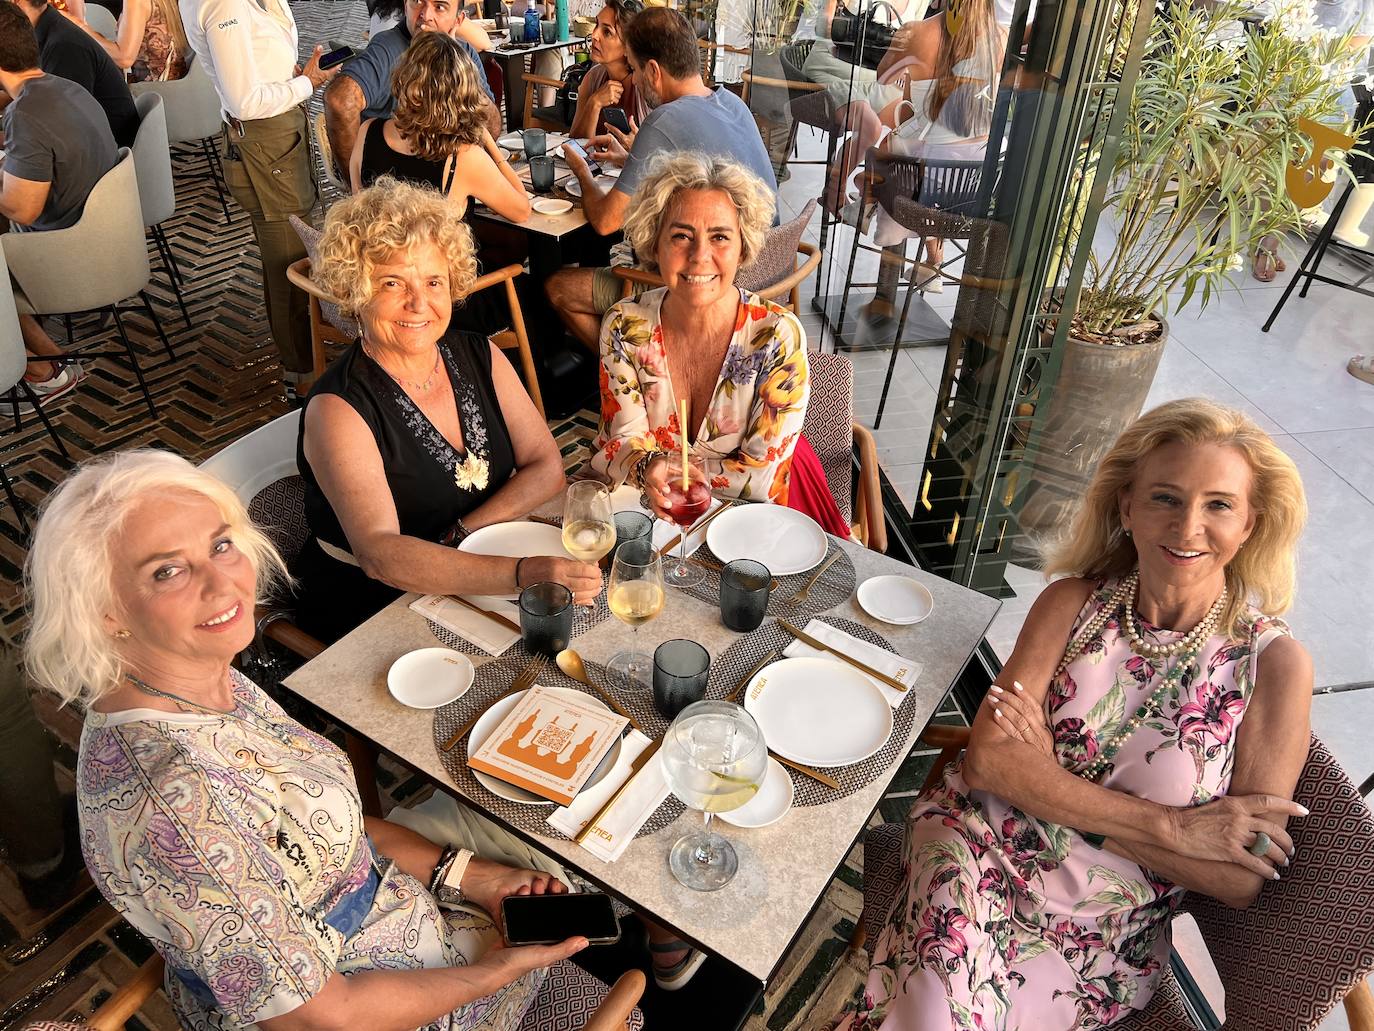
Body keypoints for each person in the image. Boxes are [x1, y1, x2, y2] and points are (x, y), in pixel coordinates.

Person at [23, 448, 636, 1031]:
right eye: (167, 571)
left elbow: (322, 834)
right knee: (622, 964)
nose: (222, 585)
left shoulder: (202, 681)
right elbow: (319, 1017)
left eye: (220, 545)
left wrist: (468, 875)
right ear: (105, 611)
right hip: (377, 1005)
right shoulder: (176, 798)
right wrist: (492, 973)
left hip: (413, 919)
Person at [829, 397, 1313, 1030]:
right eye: (1165, 497)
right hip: (977, 851)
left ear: (1249, 523)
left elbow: (1238, 876)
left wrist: (1041, 782)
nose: (1188, 526)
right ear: (1127, 508)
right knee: (933, 1008)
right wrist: (1173, 829)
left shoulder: (1274, 666)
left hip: (1105, 937)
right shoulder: (1071, 605)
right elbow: (987, 763)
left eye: (1218, 504)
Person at [295, 177, 600, 644]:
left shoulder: (480, 353)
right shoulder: (337, 409)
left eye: (433, 281)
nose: (419, 304)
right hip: (381, 609)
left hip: (490, 573)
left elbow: (547, 468)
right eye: (392, 283)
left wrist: (464, 530)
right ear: (357, 290)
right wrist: (520, 574)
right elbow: (381, 555)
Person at [587, 153, 849, 535]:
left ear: (743, 247)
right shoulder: (625, 326)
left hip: (758, 518)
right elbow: (624, 439)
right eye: (680, 236)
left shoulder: (778, 334)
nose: (699, 257)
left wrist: (662, 472)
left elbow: (758, 479)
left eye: (720, 237)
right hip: (658, 513)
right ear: (654, 243)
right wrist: (647, 468)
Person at [548, 6, 778, 349]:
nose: (636, 80)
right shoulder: (733, 104)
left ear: (653, 70)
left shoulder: (664, 119)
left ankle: (636, 371)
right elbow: (706, 173)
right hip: (765, 269)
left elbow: (605, 221)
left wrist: (581, 167)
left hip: (710, 283)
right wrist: (632, 159)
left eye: (636, 69)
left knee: (558, 287)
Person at [181, 0, 339, 394]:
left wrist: (296, 77)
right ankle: (302, 375)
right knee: (288, 264)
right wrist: (308, 84)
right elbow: (243, 102)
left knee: (287, 256)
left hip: (279, 132)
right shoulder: (223, 6)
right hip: (265, 145)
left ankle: (304, 361)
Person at [842, 0, 1005, 295]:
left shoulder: (919, 32)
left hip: (919, 186)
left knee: (892, 147)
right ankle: (932, 262)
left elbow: (882, 78)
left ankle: (865, 204)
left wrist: (908, 64)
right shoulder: (1001, 38)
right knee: (918, 142)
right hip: (976, 187)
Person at [0, 1, 118, 406]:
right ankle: (50, 359)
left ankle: (46, 369)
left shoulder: (27, 113)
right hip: (105, 237)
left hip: (68, 258)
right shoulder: (62, 87)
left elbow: (22, 209)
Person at [324, 0, 499, 188]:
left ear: (458, 20)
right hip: (395, 191)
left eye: (439, 7)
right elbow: (340, 100)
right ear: (405, 4)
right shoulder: (388, 49)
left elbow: (492, 129)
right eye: (417, 2)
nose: (425, 14)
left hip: (445, 182)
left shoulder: (463, 52)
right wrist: (357, 188)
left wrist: (457, 66)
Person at [10, 0, 137, 145]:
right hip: (92, 144)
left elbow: (62, 126)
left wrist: (6, 138)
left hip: (108, 154)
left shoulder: (63, 45)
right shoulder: (51, 29)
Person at [568, 0, 649, 141]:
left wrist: (635, 149)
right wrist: (594, 103)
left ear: (628, 47)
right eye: (597, 25)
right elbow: (576, 143)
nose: (594, 35)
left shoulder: (646, 87)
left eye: (607, 32)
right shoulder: (592, 78)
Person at [59, 0, 189, 82]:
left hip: (155, 91)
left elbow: (124, 58)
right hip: (173, 87)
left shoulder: (135, 2)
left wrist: (78, 25)